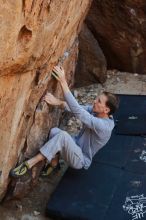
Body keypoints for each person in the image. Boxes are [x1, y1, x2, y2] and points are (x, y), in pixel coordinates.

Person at [10, 66, 119, 177]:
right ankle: (54, 162)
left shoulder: (103, 126)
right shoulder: (96, 112)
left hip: (80, 159)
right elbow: (76, 108)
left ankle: (30, 163)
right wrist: (57, 102)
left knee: (62, 136)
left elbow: (78, 112)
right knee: (54, 131)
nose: (95, 101)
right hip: (75, 145)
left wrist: (63, 82)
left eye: (99, 101)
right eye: (97, 98)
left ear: (106, 110)